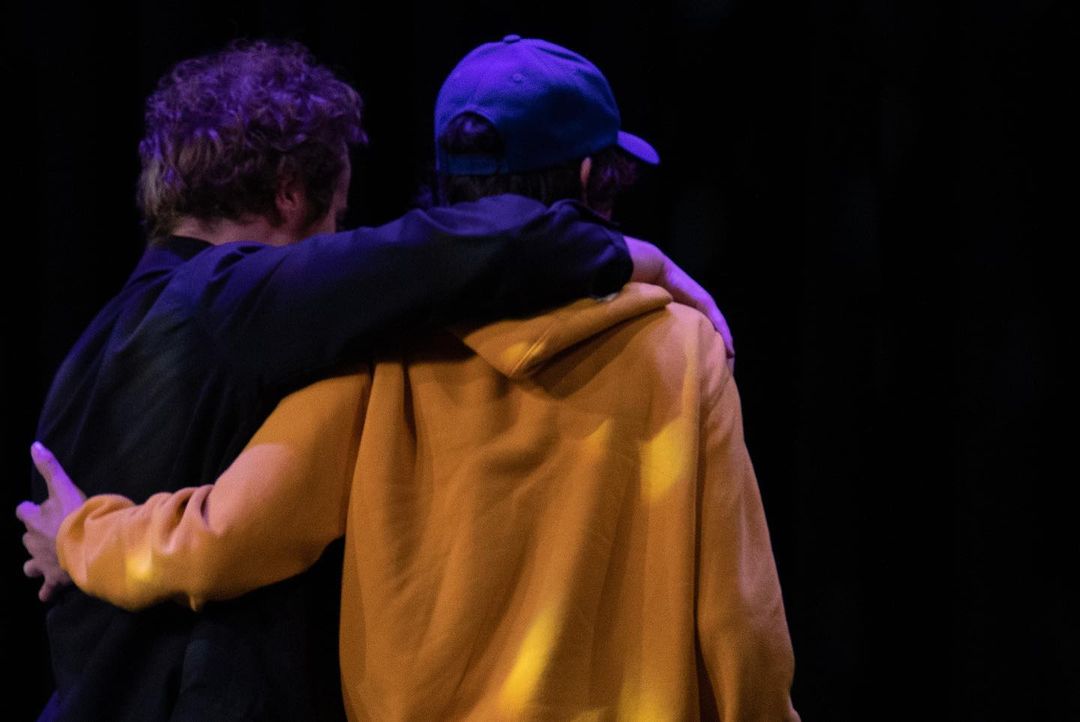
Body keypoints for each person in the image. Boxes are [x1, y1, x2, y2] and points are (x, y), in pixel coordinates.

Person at [21, 37, 792, 720]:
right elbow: (740, 623)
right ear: (594, 176)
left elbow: (224, 537)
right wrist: (636, 258)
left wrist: (83, 538)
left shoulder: (359, 350)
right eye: (339, 217)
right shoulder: (679, 350)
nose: (344, 242)